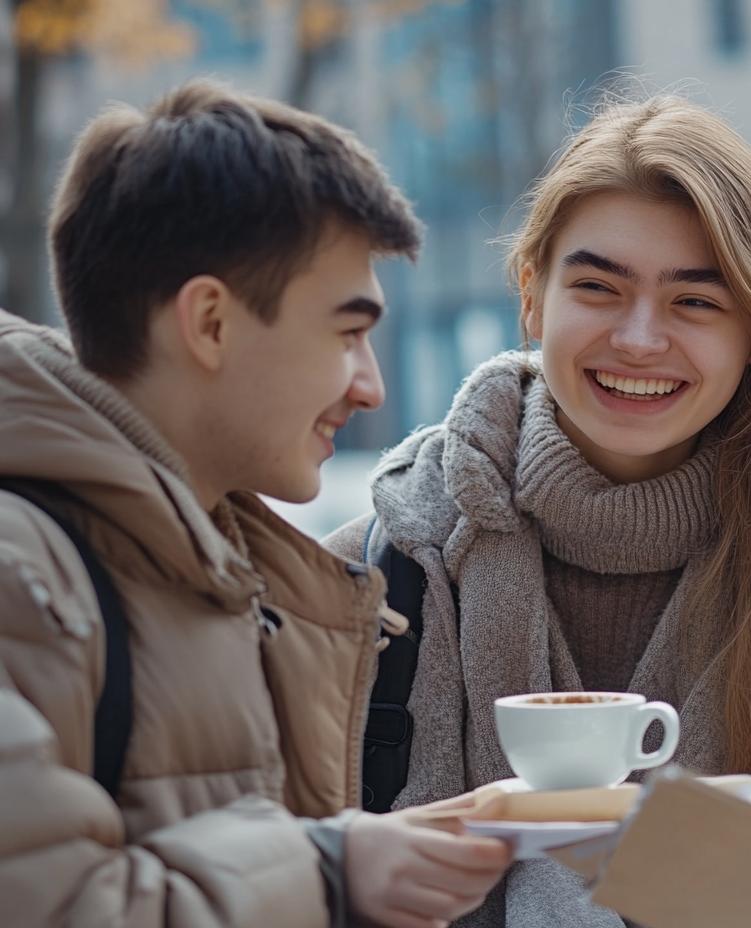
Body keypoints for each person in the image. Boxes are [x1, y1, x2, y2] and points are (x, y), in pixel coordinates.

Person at [325, 94, 751, 927]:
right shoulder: (376, 576)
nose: (640, 339)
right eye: (598, 288)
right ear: (533, 297)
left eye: (695, 301)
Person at [0, 81, 510, 928]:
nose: (371, 387)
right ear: (209, 323)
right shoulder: (24, 574)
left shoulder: (220, 566)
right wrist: (325, 869)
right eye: (347, 333)